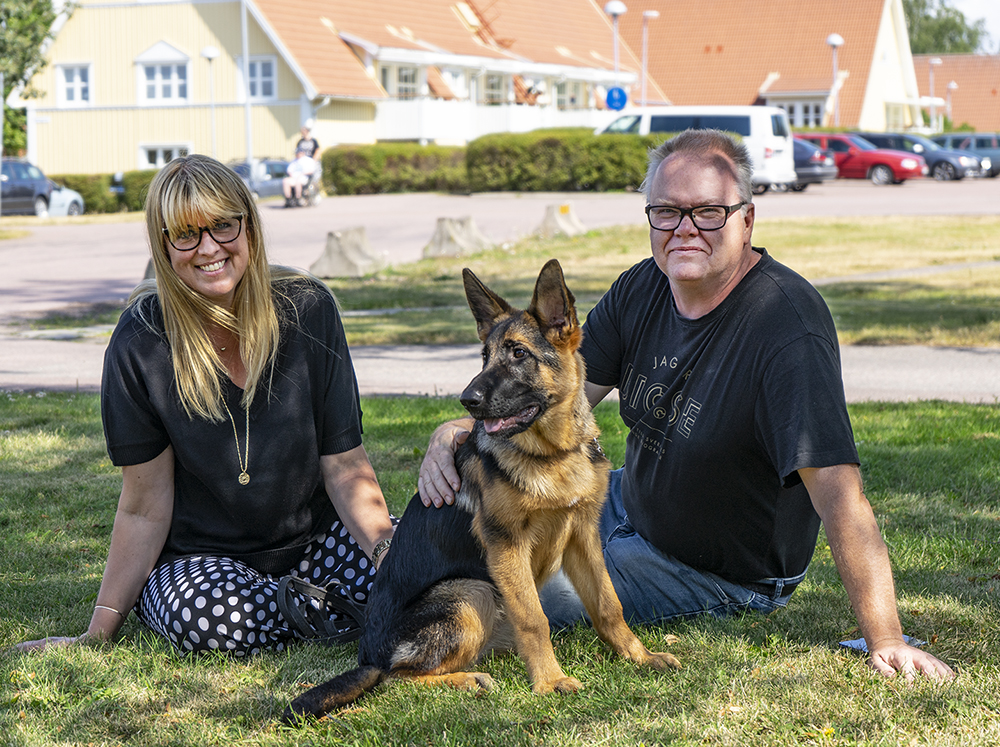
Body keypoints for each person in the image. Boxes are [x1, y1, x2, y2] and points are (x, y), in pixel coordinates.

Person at [417, 129, 955, 682]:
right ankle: (380, 577)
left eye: (708, 213)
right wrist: (457, 426)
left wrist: (886, 638)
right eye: (667, 213)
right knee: (454, 542)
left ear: (746, 219)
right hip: (624, 504)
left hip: (708, 569)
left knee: (507, 596)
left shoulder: (786, 329)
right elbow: (553, 390)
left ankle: (401, 625)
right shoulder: (644, 285)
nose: (685, 230)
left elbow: (842, 498)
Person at [17, 154, 395, 656]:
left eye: (222, 226)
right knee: (215, 616)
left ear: (249, 228)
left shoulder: (310, 309)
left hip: (315, 548)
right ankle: (344, 613)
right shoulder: (140, 343)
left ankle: (323, 606)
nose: (209, 248)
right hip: (203, 566)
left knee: (430, 553)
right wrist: (97, 632)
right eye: (186, 234)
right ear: (163, 244)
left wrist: (390, 557)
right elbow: (143, 507)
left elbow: (346, 466)